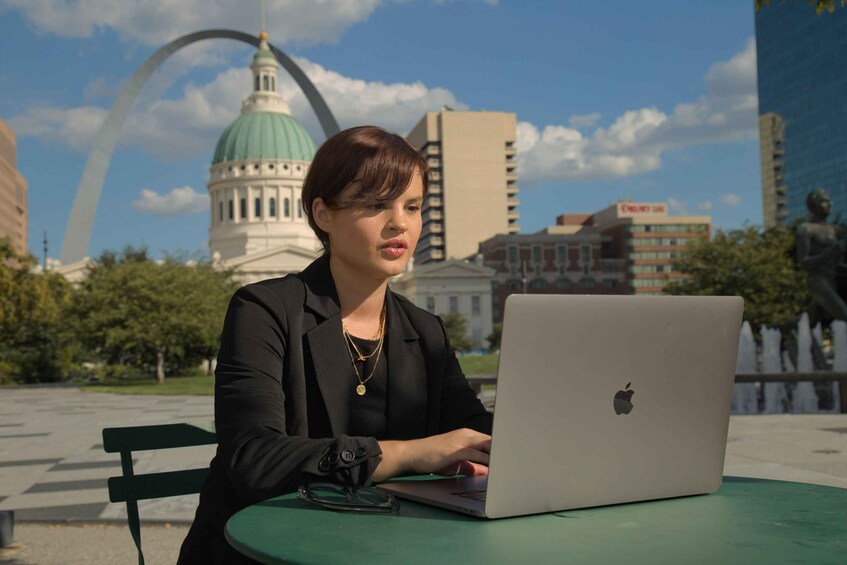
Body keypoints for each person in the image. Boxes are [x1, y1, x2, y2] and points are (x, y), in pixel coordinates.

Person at [178, 126, 493, 564]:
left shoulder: (425, 331)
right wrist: (408, 454)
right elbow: (255, 458)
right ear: (323, 214)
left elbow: (476, 432)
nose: (399, 222)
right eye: (376, 204)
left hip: (385, 547)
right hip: (266, 550)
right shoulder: (264, 310)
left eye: (413, 206)